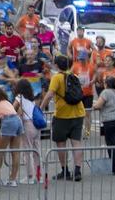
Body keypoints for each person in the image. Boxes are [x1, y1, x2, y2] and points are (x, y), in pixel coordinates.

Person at [41, 54, 85, 182]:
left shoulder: (57, 77)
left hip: (62, 115)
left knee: (61, 143)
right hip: (78, 112)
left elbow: (50, 94)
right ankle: (77, 170)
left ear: (56, 65)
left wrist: (41, 108)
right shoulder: (74, 76)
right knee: (76, 142)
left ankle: (65, 170)